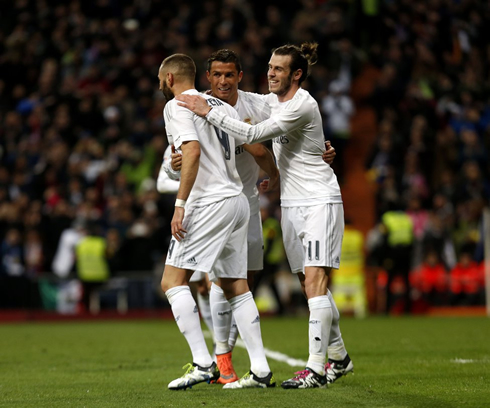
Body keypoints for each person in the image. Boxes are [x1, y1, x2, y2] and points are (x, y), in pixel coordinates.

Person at [176, 42, 353, 389]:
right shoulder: (269, 102)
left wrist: (206, 110)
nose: (270, 73)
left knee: (316, 283)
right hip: (291, 203)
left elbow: (254, 134)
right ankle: (339, 356)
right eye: (270, 67)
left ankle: (316, 368)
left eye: (278, 69)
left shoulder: (303, 104)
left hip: (320, 200)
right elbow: (247, 105)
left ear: (296, 74)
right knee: (308, 283)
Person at [158, 53, 275, 390]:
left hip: (208, 203)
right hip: (238, 201)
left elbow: (191, 152)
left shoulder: (177, 105)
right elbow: (254, 146)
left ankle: (203, 362)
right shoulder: (221, 105)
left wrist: (180, 205)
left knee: (172, 281)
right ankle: (261, 370)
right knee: (235, 285)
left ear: (168, 79)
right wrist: (275, 175)